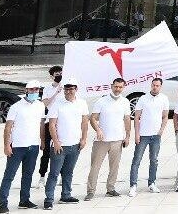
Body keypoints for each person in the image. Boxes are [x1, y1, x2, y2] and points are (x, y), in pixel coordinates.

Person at [0, 79, 43, 212]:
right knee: (9, 175)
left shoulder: (40, 106)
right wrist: (7, 145)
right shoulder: (16, 107)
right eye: (32, 89)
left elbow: (41, 124)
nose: (34, 92)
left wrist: (42, 140)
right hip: (17, 147)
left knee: (28, 175)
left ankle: (24, 200)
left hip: (33, 146)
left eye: (37, 89)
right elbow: (8, 128)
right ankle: (3, 203)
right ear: (26, 90)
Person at [44, 77, 88, 209]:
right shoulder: (57, 103)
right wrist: (56, 142)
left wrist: (84, 139)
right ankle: (49, 198)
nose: (69, 91)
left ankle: (66, 195)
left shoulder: (82, 103)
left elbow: (84, 122)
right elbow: (51, 125)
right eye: (66, 89)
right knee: (54, 173)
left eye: (71, 89)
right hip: (60, 146)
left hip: (75, 145)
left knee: (68, 172)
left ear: (76, 89)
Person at [85, 76, 132, 200]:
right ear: (112, 86)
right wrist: (98, 130)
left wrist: (127, 136)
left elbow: (127, 120)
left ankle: (110, 189)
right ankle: (90, 191)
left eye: (120, 87)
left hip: (117, 140)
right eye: (116, 86)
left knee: (114, 166)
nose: (117, 89)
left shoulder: (125, 102)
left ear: (123, 88)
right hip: (101, 141)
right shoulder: (102, 101)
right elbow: (93, 118)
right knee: (95, 166)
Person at [128, 76, 170, 196]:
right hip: (143, 135)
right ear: (151, 85)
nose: (155, 87)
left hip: (156, 136)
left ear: (160, 86)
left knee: (154, 160)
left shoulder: (164, 98)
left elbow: (165, 116)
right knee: (137, 160)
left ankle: (152, 183)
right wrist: (136, 134)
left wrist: (161, 130)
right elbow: (136, 117)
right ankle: (133, 185)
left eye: (157, 85)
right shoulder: (143, 98)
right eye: (153, 85)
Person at [36, 66, 63, 187]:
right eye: (57, 74)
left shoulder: (66, 86)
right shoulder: (47, 88)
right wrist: (56, 93)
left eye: (60, 73)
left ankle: (62, 176)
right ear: (52, 76)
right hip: (49, 121)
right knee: (46, 151)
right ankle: (42, 176)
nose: (59, 76)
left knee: (62, 150)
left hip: (62, 123)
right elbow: (44, 104)